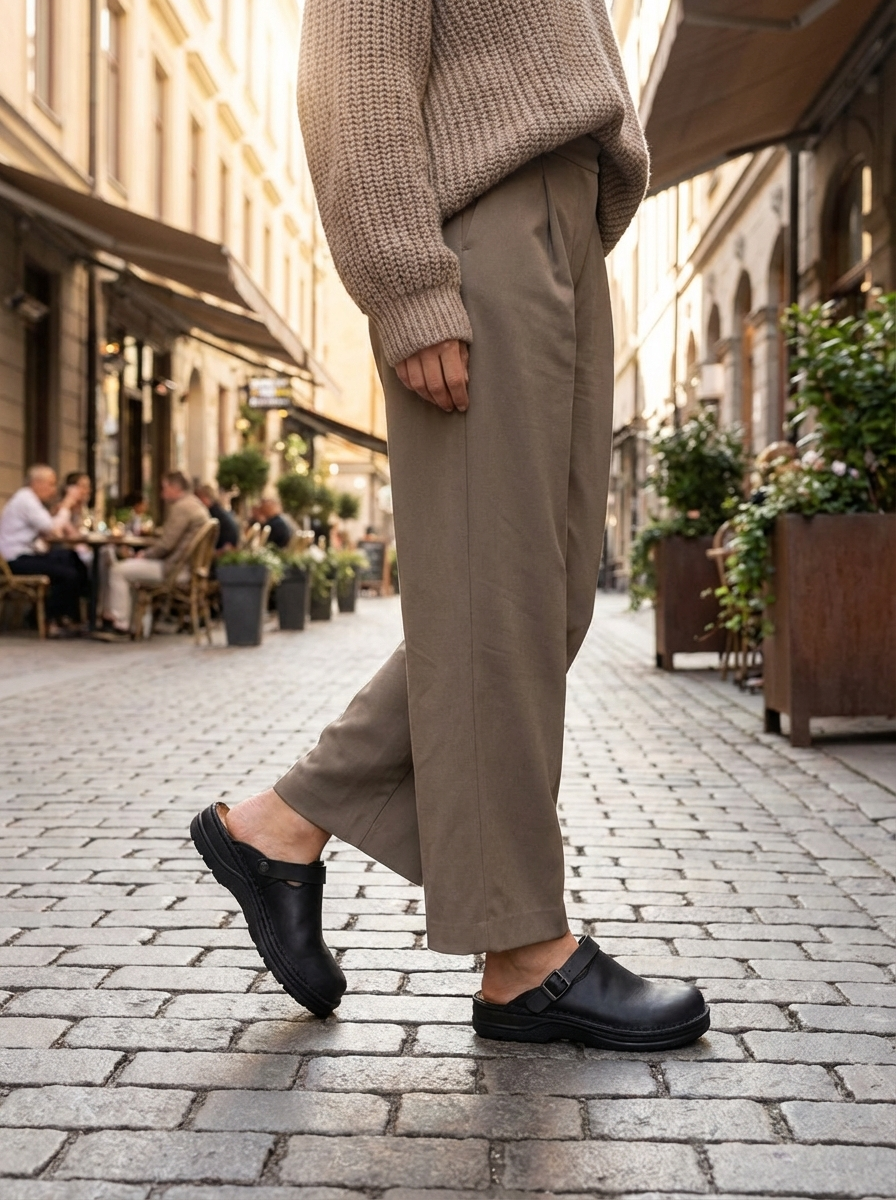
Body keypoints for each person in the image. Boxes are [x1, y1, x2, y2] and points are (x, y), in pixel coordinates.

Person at [191, 0, 710, 1049]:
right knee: (497, 594)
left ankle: (282, 826)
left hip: (565, 224)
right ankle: (524, 954)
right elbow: (354, 62)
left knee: (545, 597)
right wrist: (406, 283)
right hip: (480, 226)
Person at [96, 471, 209, 640]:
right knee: (130, 569)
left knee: (118, 570)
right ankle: (132, 623)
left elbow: (166, 544)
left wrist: (144, 555)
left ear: (175, 487)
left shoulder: (183, 507)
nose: (162, 494)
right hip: (188, 568)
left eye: (164, 488)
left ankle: (119, 623)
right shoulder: (195, 505)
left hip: (174, 570)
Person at [0, 465, 88, 635]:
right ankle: (48, 619)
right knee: (67, 573)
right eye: (51, 484)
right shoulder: (26, 500)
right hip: (17, 559)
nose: (53, 489)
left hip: (27, 554)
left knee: (71, 557)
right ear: (37, 483)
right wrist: (66, 505)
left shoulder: (31, 500)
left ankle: (70, 616)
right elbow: (53, 529)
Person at [195, 484, 240, 552]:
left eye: (198, 498)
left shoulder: (211, 513)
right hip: (230, 550)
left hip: (222, 553)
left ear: (204, 497)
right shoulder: (219, 510)